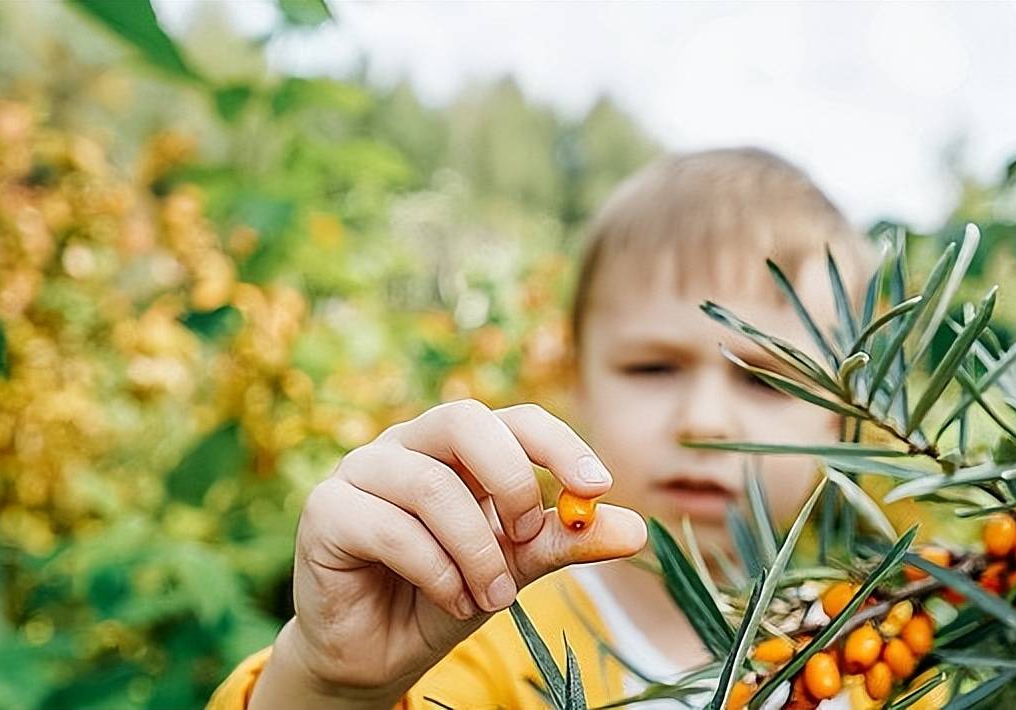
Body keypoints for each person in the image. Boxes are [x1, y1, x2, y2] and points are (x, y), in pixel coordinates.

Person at [207, 147, 871, 709]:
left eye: (765, 377)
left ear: (849, 414)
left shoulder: (895, 648)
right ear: (575, 377)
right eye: (651, 367)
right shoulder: (476, 634)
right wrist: (332, 686)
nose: (703, 421)